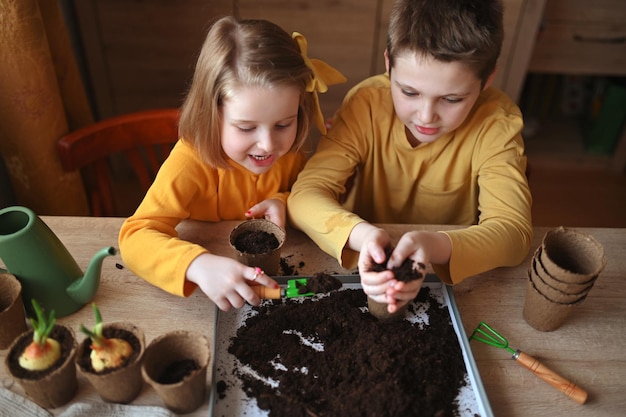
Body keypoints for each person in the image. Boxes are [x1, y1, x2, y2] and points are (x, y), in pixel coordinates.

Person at [287, 0, 533, 314]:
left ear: (486, 81)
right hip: (363, 256)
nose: (426, 116)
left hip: (449, 277)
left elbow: (514, 234)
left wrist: (433, 246)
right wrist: (363, 236)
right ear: (388, 65)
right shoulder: (367, 105)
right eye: (409, 92)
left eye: (452, 98)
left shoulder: (497, 124)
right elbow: (304, 197)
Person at [118, 16, 345, 311]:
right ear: (211, 114)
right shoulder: (190, 162)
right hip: (206, 299)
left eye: (283, 124)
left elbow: (312, 194)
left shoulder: (289, 154)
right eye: (247, 128)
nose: (268, 145)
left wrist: (283, 201)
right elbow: (136, 236)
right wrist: (198, 265)